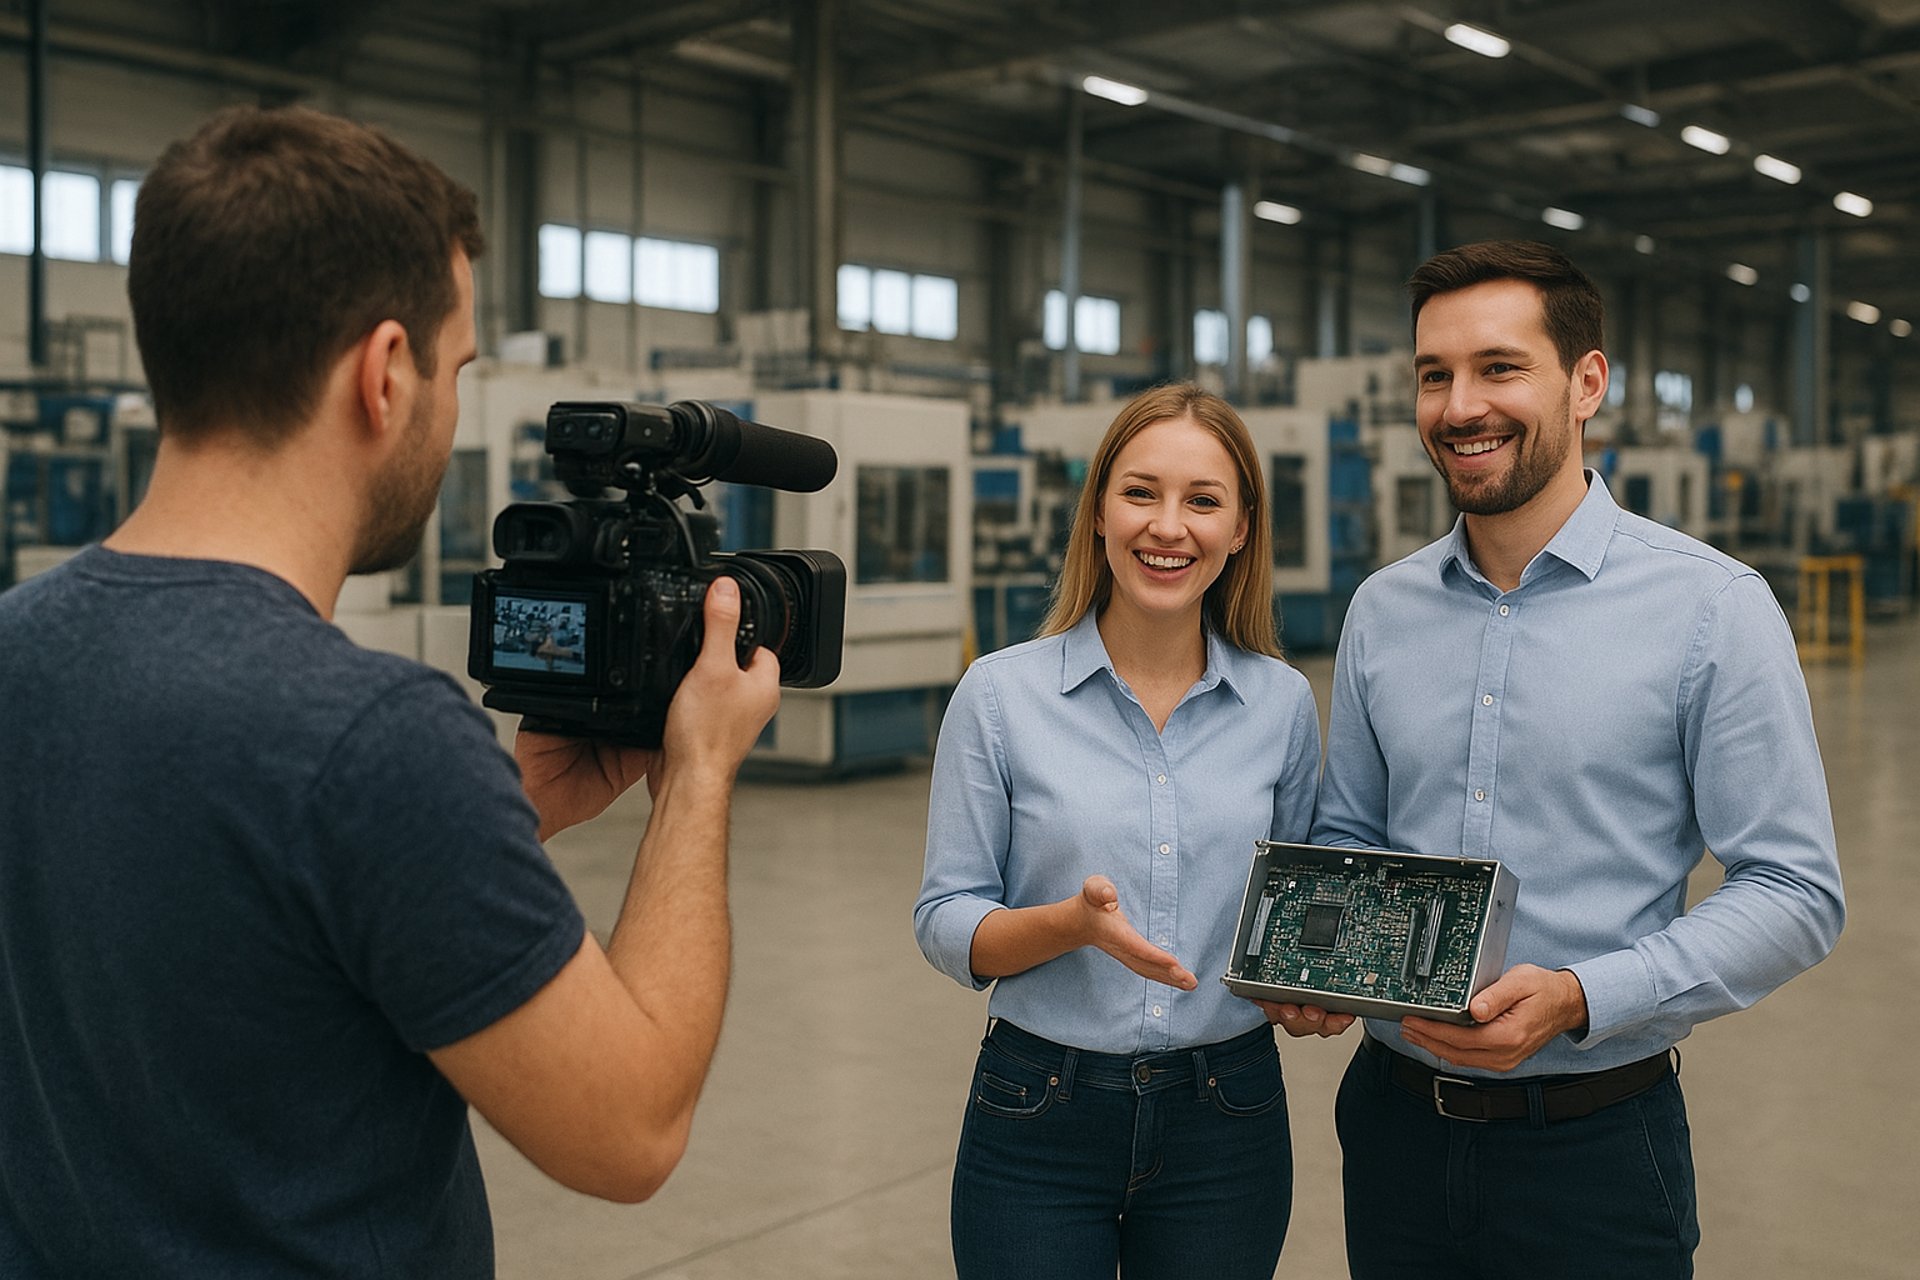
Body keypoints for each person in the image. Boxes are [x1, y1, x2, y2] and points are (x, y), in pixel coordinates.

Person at [0, 105, 779, 1276]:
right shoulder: (372, 739)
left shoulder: (17, 646)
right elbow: (632, 1129)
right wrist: (700, 773)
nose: (451, 404)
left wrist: (494, 814)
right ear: (384, 372)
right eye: (456, 367)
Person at [1305, 239, 1846, 1279]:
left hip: (1593, 1144)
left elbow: (1796, 888)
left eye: (1500, 367)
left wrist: (1585, 993)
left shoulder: (1710, 610)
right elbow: (1351, 837)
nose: (1461, 405)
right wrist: (1321, 964)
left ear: (1587, 381)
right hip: (1394, 1130)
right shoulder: (1383, 609)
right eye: (1435, 374)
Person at [915, 384, 1321, 1279]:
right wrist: (1069, 926)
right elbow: (945, 919)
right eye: (1140, 493)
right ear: (1098, 510)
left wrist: (1315, 989)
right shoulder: (1000, 695)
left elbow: (1292, 919)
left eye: (1202, 501)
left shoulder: (1281, 704)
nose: (1168, 527)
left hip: (1230, 1119)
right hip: (1038, 1114)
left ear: (1243, 527)